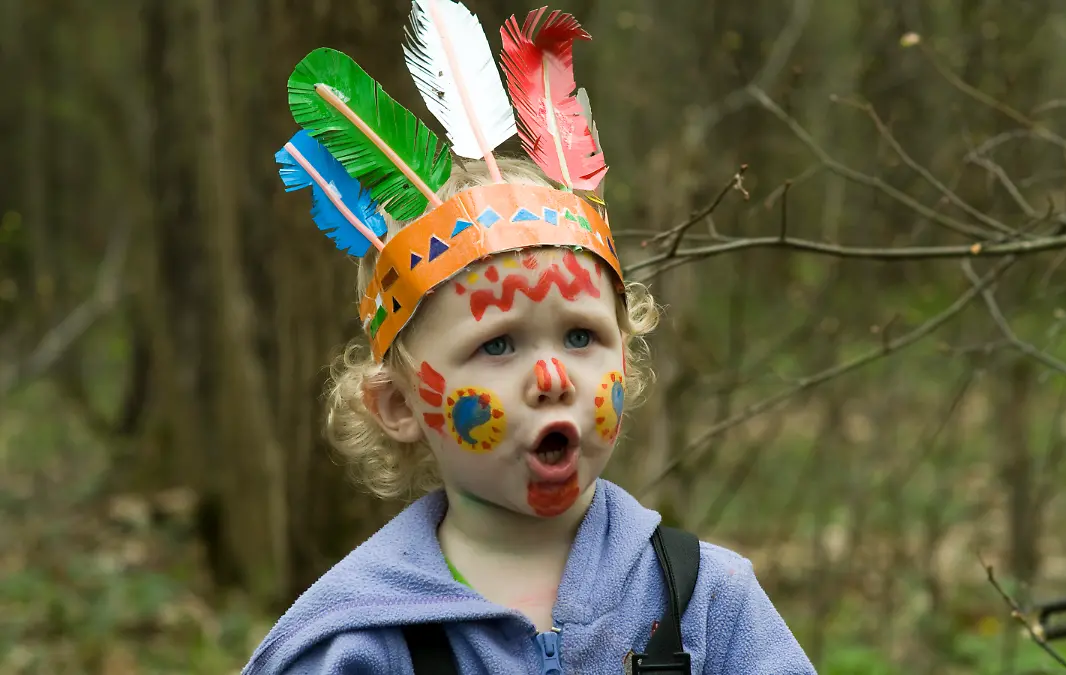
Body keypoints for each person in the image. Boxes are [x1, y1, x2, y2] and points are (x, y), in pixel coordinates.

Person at [244, 3, 818, 673]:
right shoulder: (357, 641)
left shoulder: (703, 604)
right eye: (498, 344)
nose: (553, 377)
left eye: (581, 336)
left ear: (624, 358)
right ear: (399, 405)